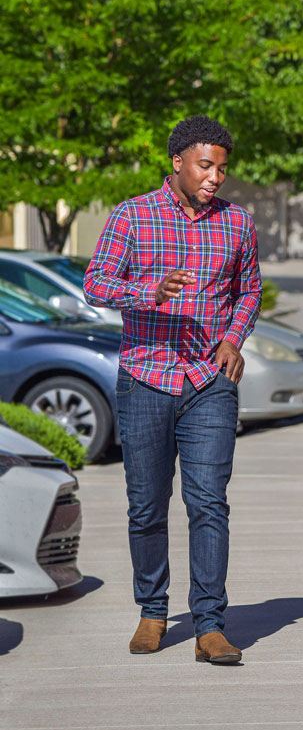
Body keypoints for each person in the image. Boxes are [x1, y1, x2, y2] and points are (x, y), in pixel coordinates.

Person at [84, 115, 262, 664]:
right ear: (179, 161)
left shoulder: (237, 223)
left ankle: (210, 624)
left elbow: (249, 291)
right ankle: (153, 612)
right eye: (206, 166)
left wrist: (233, 338)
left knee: (209, 503)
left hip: (209, 381)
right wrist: (150, 291)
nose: (215, 178)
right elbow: (95, 283)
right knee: (146, 505)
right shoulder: (133, 215)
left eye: (222, 169)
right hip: (145, 379)